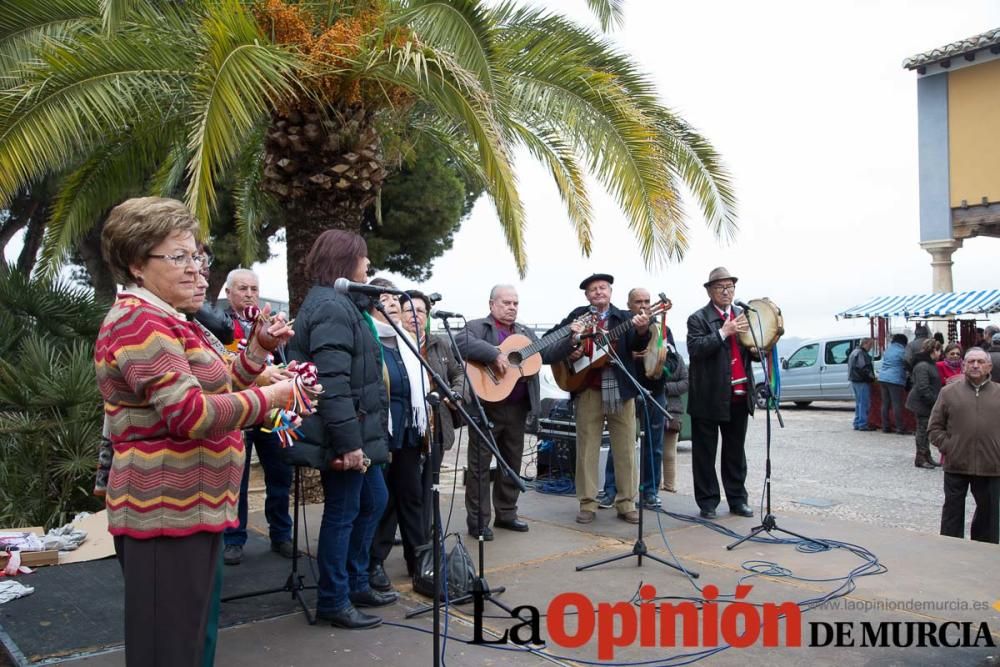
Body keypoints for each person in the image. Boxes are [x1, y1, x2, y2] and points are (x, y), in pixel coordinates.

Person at [95, 197, 302, 666]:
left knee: (191, 642)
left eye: (198, 257)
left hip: (192, 507)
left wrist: (258, 351)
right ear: (136, 264)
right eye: (179, 257)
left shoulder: (172, 320)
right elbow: (190, 414)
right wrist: (271, 399)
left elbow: (220, 387)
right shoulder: (138, 322)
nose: (197, 270)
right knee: (168, 649)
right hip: (163, 512)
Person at [286, 230, 395, 630]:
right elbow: (332, 383)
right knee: (344, 512)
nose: (368, 266)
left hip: (358, 433)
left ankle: (355, 581)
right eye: (364, 259)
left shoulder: (341, 304)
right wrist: (349, 444)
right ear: (346, 261)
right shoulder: (331, 308)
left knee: (373, 501)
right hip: (344, 437)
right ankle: (334, 598)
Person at [367, 287, 461, 591]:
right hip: (392, 430)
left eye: (420, 311)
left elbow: (456, 373)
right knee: (392, 499)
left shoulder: (429, 345)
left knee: (415, 497)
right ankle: (380, 562)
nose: (413, 315)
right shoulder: (383, 342)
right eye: (406, 310)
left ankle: (417, 560)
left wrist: (454, 393)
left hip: (421, 430)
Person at [547, 274, 650, 525]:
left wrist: (642, 329)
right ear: (586, 296)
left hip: (620, 388)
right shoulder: (577, 315)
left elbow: (638, 344)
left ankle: (626, 502)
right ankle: (587, 503)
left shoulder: (624, 317)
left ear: (611, 291)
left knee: (625, 447)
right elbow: (551, 339)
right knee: (587, 448)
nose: (598, 292)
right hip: (587, 388)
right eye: (593, 289)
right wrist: (572, 345)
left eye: (602, 287)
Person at [455, 285, 553, 537]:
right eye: (506, 303)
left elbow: (547, 353)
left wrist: (572, 337)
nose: (512, 308)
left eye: (515, 304)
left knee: (512, 462)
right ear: (492, 304)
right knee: (479, 467)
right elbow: (460, 342)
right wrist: (492, 354)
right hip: (486, 407)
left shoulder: (524, 333)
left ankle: (507, 513)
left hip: (517, 409)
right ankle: (478, 522)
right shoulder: (478, 327)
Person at [220, 268, 294, 566]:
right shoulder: (219, 324)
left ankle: (281, 533)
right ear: (228, 293)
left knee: (280, 471)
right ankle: (233, 539)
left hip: (272, 409)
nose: (249, 293)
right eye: (242, 288)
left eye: (253, 288)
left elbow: (282, 361)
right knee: (237, 477)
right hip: (237, 407)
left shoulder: (267, 323)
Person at [686, 267, 756, 519]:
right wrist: (723, 332)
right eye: (720, 287)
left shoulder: (743, 314)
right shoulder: (698, 318)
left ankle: (737, 499)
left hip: (738, 394)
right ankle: (707, 502)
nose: (726, 292)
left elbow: (751, 350)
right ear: (709, 291)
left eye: (730, 287)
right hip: (708, 396)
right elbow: (696, 349)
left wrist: (761, 347)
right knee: (705, 453)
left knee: (735, 452)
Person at [597, 288, 673, 509]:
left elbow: (674, 365)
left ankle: (650, 492)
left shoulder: (663, 330)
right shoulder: (622, 329)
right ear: (628, 306)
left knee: (654, 444)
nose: (643, 305)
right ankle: (612, 490)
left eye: (647, 301)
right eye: (638, 301)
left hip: (654, 392)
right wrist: (632, 355)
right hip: (627, 390)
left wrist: (660, 363)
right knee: (619, 443)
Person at [928, 348, 1000, 544]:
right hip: (956, 463)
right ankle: (950, 551)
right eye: (971, 362)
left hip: (990, 465)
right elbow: (934, 427)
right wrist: (949, 446)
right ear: (964, 366)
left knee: (989, 515)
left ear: (989, 366)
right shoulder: (948, 392)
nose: (975, 365)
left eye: (979, 362)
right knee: (952, 513)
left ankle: (984, 553)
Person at [904, 338, 943, 469]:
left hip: (926, 402)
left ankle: (927, 455)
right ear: (934, 350)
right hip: (922, 403)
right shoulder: (923, 366)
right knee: (922, 430)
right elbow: (923, 388)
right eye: (939, 350)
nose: (940, 353)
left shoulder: (929, 364)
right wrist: (933, 402)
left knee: (925, 430)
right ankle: (920, 457)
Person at [661, 345, 689, 494]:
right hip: (654, 407)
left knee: (670, 452)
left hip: (673, 410)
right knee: (653, 450)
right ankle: (654, 486)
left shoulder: (677, 359)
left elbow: (686, 382)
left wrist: (666, 388)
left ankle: (669, 486)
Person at [878, 333, 910, 435]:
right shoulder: (902, 351)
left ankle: (885, 426)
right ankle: (900, 427)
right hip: (895, 379)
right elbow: (907, 363)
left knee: (885, 403)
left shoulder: (888, 349)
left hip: (883, 378)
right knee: (896, 404)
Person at [848, 338, 876, 431]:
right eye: (870, 345)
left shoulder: (854, 352)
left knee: (859, 403)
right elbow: (863, 368)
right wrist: (871, 377)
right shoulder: (861, 353)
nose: (871, 348)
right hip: (861, 381)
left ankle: (857, 422)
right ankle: (863, 424)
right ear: (865, 343)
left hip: (854, 380)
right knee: (864, 403)